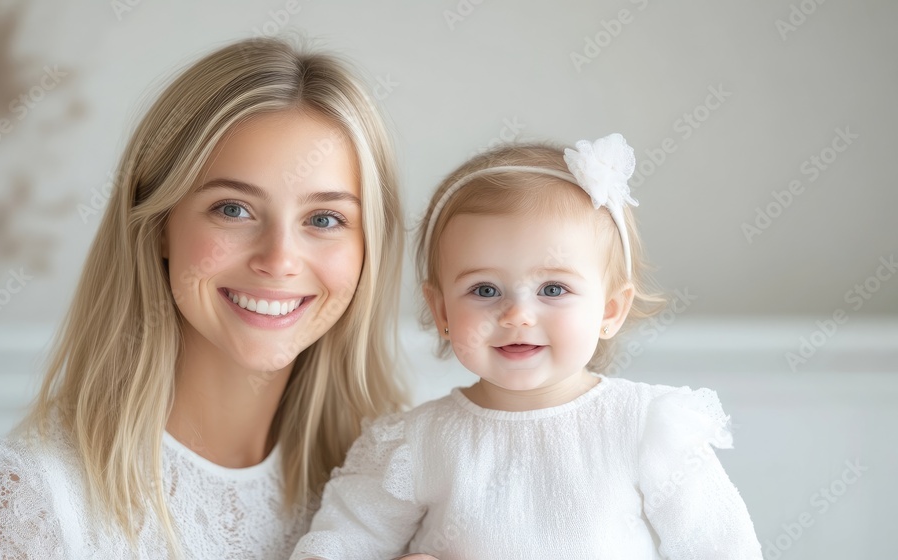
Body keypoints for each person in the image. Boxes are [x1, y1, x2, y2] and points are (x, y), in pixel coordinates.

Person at [0, 37, 408, 559]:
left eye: (324, 219)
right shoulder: (22, 498)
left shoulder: (400, 481)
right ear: (159, 224)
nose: (279, 259)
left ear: (369, 249)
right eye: (233, 209)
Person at [290, 134, 763, 559]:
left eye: (553, 290)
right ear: (441, 313)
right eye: (485, 290)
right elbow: (341, 541)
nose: (517, 315)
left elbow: (723, 546)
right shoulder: (417, 443)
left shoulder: (644, 428)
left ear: (610, 311)